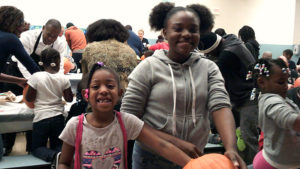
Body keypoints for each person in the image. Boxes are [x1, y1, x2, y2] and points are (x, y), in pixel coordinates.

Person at [121, 2, 246, 169]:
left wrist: (231, 148)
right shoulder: (148, 67)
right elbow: (128, 119)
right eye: (178, 28)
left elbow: (220, 106)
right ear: (165, 32)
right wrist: (175, 143)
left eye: (193, 29)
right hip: (150, 160)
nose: (186, 34)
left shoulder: (209, 68)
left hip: (196, 158)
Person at [58, 62, 194, 169]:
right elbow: (64, 162)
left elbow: (161, 146)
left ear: (120, 93)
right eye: (96, 87)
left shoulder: (126, 122)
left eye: (110, 86)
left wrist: (194, 164)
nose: (104, 90)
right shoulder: (75, 125)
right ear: (86, 95)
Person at [199, 32, 258, 164]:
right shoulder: (229, 41)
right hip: (236, 95)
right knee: (233, 133)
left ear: (213, 49)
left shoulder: (229, 52)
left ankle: (251, 165)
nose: (208, 56)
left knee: (248, 135)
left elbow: (212, 72)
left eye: (209, 54)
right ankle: (235, 161)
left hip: (249, 95)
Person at [0, 6, 40, 156]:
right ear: (13, 22)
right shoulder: (11, 39)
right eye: (21, 22)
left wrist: (19, 80)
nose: (24, 26)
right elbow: (33, 68)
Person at [249, 58, 300, 169]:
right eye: (281, 82)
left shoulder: (276, 96)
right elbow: (289, 118)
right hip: (277, 165)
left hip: (272, 155)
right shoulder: (271, 101)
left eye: (287, 81)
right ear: (262, 82)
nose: (286, 86)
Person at [25, 48, 73, 165]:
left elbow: (29, 98)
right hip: (58, 117)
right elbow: (69, 99)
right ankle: (61, 160)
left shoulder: (36, 76)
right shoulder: (63, 78)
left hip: (41, 118)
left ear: (41, 62)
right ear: (57, 61)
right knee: (57, 144)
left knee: (36, 148)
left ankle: (53, 157)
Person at [82, 19, 137, 92]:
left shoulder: (90, 49)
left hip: (100, 97)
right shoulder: (130, 51)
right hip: (126, 97)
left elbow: (85, 79)